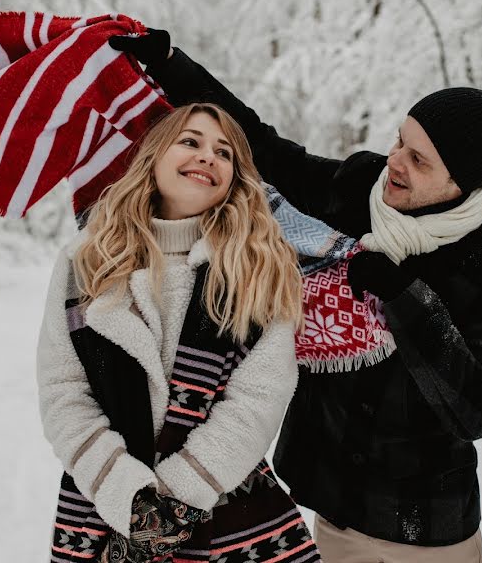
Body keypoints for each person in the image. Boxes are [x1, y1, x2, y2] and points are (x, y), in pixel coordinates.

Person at [110, 31, 482, 563]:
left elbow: (477, 410)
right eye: (399, 141)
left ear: (463, 181)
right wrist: (170, 64)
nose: (395, 162)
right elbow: (265, 149)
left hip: (429, 528)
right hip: (335, 507)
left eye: (419, 159)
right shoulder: (362, 188)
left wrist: (404, 294)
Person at [36, 103, 321, 563]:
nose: (208, 156)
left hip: (228, 509)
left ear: (236, 176)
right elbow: (62, 389)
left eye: (224, 152)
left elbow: (260, 398)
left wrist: (173, 501)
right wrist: (130, 501)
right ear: (153, 156)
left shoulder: (261, 266)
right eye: (190, 142)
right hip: (106, 504)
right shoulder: (86, 261)